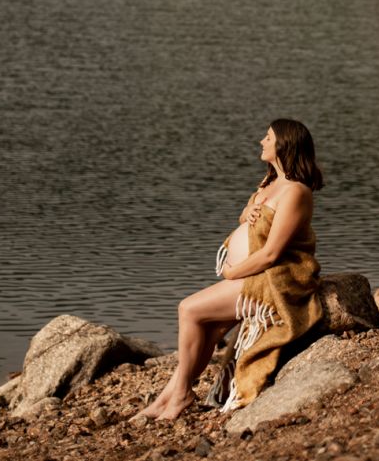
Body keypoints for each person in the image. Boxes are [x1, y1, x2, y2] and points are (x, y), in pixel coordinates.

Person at [132, 118, 324, 421]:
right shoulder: (270, 182)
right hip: (252, 274)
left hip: (273, 280)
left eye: (268, 137)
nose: (262, 141)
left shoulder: (296, 192)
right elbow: (249, 221)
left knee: (189, 310)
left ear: (285, 144)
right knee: (207, 328)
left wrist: (233, 272)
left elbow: (272, 252)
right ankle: (169, 396)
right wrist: (245, 212)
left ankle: (180, 394)